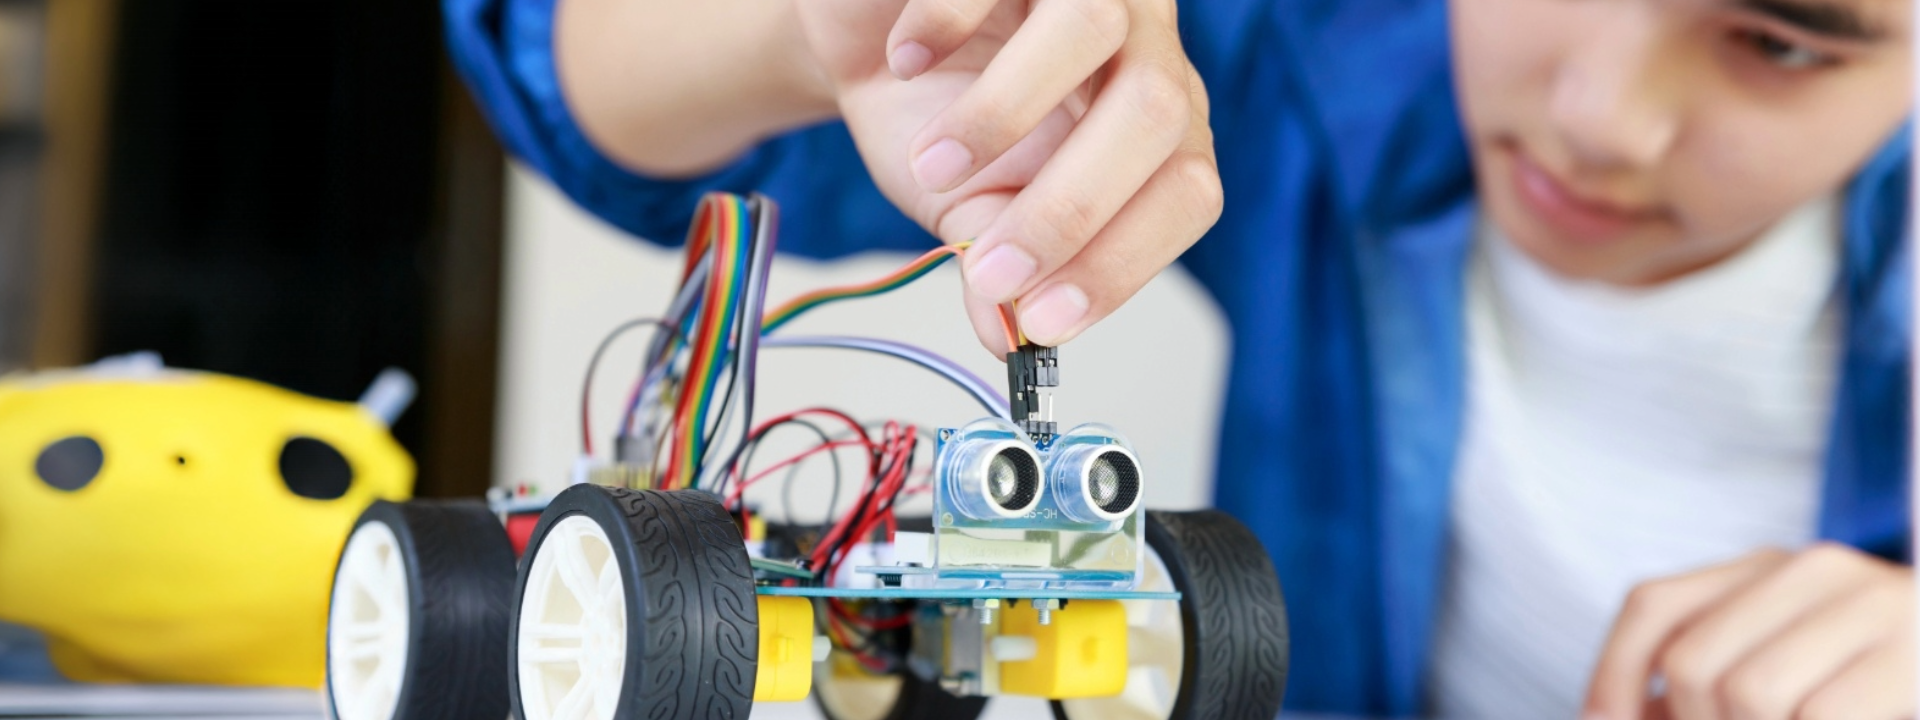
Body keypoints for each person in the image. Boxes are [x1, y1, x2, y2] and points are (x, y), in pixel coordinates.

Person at [444, 0, 1915, 715]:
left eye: (1783, 43)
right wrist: (823, 28)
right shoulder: (1321, 53)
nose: (1605, 118)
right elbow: (579, 89)